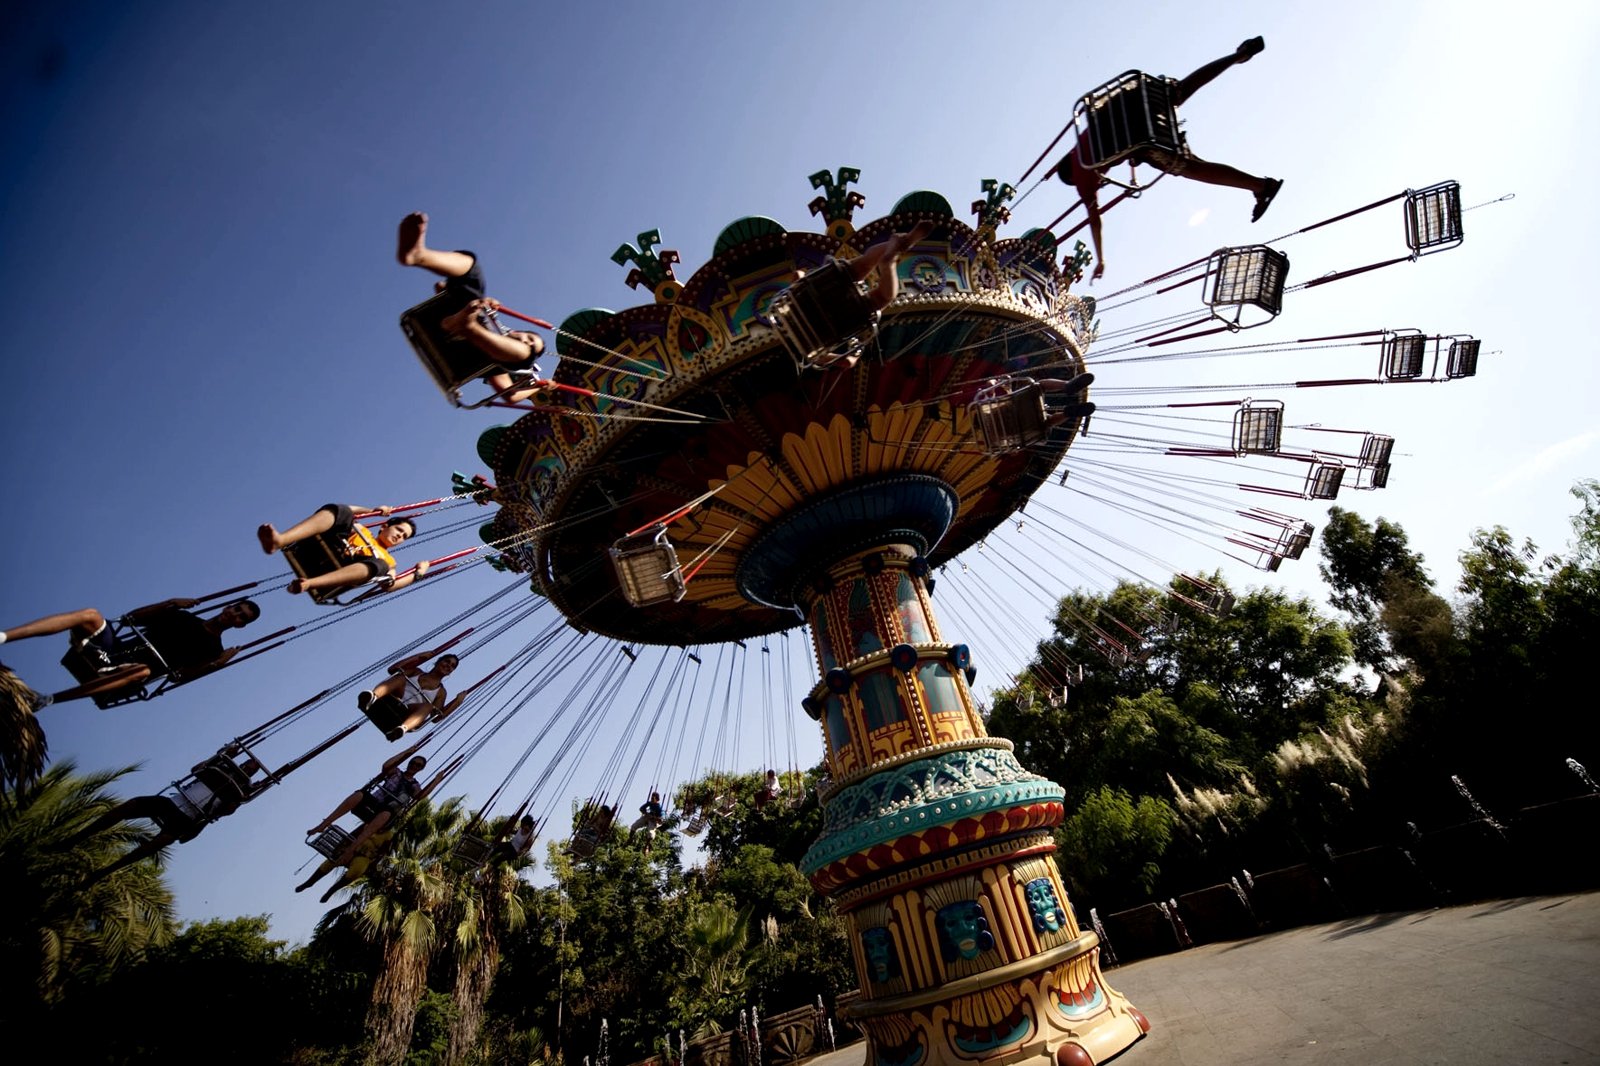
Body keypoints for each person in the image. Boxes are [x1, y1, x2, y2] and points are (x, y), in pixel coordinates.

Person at [1056, 37, 1283, 281]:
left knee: (1189, 168)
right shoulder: (1084, 140)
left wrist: (1101, 259)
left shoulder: (1083, 178)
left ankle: (1260, 186)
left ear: (1070, 175)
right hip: (1136, 99)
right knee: (1182, 89)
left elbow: (1095, 221)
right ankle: (1238, 55)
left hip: (1141, 135)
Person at [398, 212, 547, 402]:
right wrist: (482, 303)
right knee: (472, 269)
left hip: (464, 355)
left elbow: (509, 395)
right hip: (448, 320)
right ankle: (420, 255)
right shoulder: (490, 317)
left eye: (531, 345)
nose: (527, 342)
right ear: (517, 330)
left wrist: (539, 387)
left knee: (524, 358)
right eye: (529, 338)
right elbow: (441, 288)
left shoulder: (499, 361)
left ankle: (466, 327)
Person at [1, 597, 261, 704]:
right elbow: (131, 618)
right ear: (229, 606)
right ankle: (4, 636)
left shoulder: (213, 649)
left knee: (143, 669)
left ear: (240, 626)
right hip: (111, 653)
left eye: (241, 616)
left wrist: (218, 664)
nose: (234, 614)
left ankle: (46, 700)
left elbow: (179, 677)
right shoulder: (183, 617)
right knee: (90, 615)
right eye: (236, 608)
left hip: (129, 674)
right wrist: (170, 603)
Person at [73, 748, 272, 881]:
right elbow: (196, 769)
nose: (247, 769)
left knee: (161, 841)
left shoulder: (242, 789)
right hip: (175, 802)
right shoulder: (220, 767)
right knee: (131, 806)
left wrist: (243, 796)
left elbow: (228, 810)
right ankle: (79, 836)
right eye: (246, 764)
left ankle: (106, 870)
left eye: (251, 769)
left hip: (189, 817)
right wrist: (224, 753)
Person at [774, 220, 937, 369]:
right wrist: (804, 277)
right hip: (825, 288)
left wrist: (855, 352)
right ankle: (898, 244)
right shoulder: (786, 309)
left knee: (882, 298)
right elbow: (797, 276)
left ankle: (888, 265)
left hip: (841, 319)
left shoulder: (810, 351)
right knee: (865, 263)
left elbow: (846, 362)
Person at [258, 503, 427, 597]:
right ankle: (280, 540)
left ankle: (308, 583)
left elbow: (389, 585)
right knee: (341, 511)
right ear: (384, 526)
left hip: (339, 571)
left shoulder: (389, 561)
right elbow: (347, 510)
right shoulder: (361, 529)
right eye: (399, 530)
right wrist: (372, 511)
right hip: (320, 551)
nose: (400, 536)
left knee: (381, 566)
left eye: (404, 536)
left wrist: (418, 574)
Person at [307, 739, 429, 854]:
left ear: (421, 769)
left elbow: (420, 796)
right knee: (359, 794)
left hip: (384, 811)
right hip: (374, 801)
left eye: (418, 765)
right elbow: (386, 766)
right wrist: (406, 752)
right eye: (413, 763)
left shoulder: (414, 785)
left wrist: (437, 780)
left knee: (386, 814)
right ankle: (324, 824)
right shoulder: (396, 772)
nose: (414, 766)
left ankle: (352, 848)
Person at [356, 648, 465, 740]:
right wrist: (419, 656)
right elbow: (393, 669)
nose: (448, 666)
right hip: (393, 697)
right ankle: (373, 696)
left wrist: (457, 702)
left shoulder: (441, 692)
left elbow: (436, 717)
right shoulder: (416, 672)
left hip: (408, 711)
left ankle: (402, 728)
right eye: (447, 661)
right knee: (401, 678)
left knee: (428, 706)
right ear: (438, 662)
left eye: (452, 666)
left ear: (451, 671)